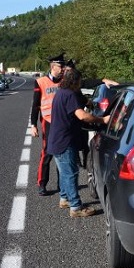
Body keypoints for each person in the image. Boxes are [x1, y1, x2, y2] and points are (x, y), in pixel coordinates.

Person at [47, 67, 110, 217]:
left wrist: (87, 102)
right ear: (74, 82)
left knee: (64, 172)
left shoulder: (62, 92)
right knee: (70, 173)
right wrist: (103, 119)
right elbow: (82, 116)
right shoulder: (69, 95)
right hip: (64, 141)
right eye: (80, 81)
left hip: (57, 139)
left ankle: (64, 198)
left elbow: (79, 104)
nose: (81, 83)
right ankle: (76, 207)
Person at [30, 53, 66, 196]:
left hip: (63, 122)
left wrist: (102, 80)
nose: (63, 68)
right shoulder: (40, 82)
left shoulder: (65, 81)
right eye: (60, 66)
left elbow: (83, 83)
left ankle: (62, 184)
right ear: (52, 67)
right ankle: (42, 183)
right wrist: (33, 125)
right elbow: (35, 105)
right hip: (48, 121)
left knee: (62, 153)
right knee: (47, 153)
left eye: (63, 66)